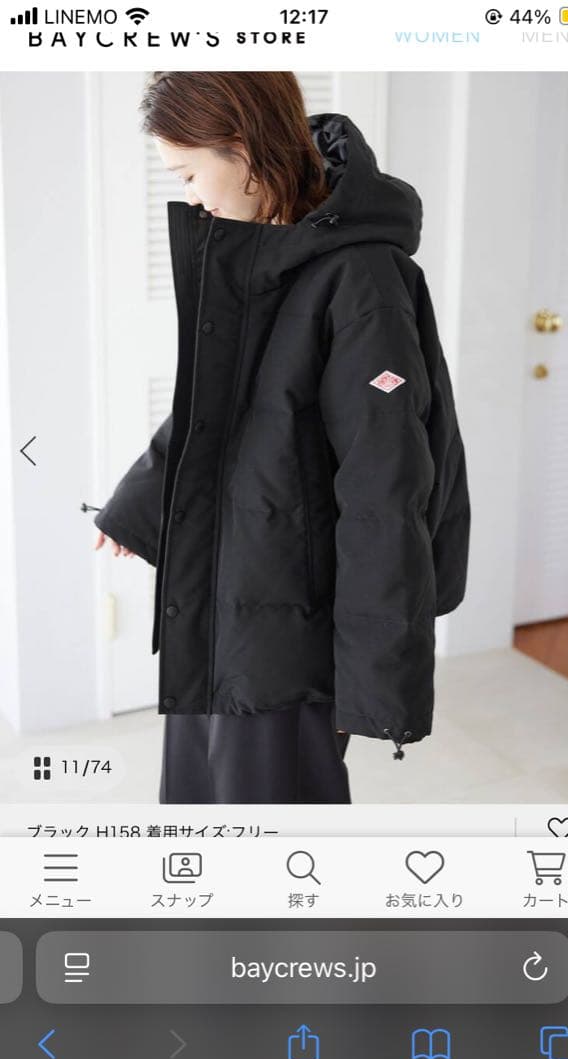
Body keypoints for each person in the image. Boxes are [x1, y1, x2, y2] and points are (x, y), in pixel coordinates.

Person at [93, 71, 471, 805]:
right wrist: (139, 504)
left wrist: (374, 681)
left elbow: (384, 487)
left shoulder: (363, 281)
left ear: (243, 149)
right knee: (202, 815)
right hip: (227, 596)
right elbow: (226, 404)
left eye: (189, 173)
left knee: (275, 837)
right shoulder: (266, 251)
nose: (190, 197)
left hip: (290, 630)